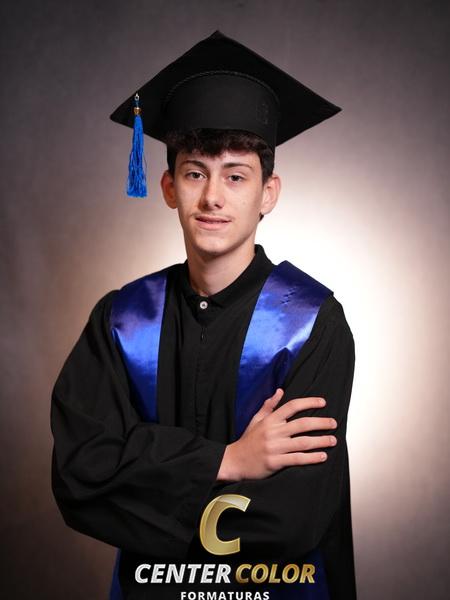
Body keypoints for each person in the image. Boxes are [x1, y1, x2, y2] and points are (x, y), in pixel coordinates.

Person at [51, 30, 357, 600]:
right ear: (169, 187)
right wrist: (229, 461)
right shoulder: (121, 322)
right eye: (195, 173)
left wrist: (147, 488)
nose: (213, 196)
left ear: (268, 193)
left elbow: (295, 515)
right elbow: (80, 476)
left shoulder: (311, 323)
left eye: (236, 176)